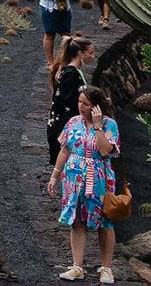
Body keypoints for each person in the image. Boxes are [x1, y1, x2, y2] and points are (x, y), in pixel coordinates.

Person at [51, 85, 120, 281]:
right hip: (73, 178)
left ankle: (106, 267)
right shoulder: (73, 122)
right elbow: (64, 150)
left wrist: (97, 126)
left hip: (99, 179)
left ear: (96, 107)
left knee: (104, 221)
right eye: (79, 102)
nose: (80, 106)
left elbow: (106, 151)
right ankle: (77, 266)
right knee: (76, 219)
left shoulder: (110, 125)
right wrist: (54, 175)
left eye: (85, 104)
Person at [51, 36, 96, 151]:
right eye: (90, 53)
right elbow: (68, 100)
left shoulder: (74, 72)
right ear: (80, 53)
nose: (93, 56)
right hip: (65, 126)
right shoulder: (71, 74)